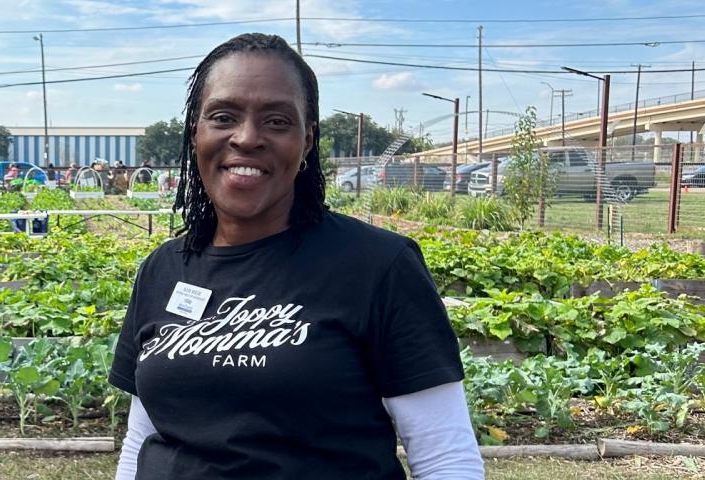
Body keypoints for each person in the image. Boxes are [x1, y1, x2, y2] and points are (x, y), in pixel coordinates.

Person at [111, 33, 482, 480]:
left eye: (277, 121)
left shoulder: (378, 266)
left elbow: (446, 460)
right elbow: (142, 437)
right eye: (224, 116)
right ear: (196, 134)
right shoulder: (164, 268)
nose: (247, 138)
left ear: (306, 142)